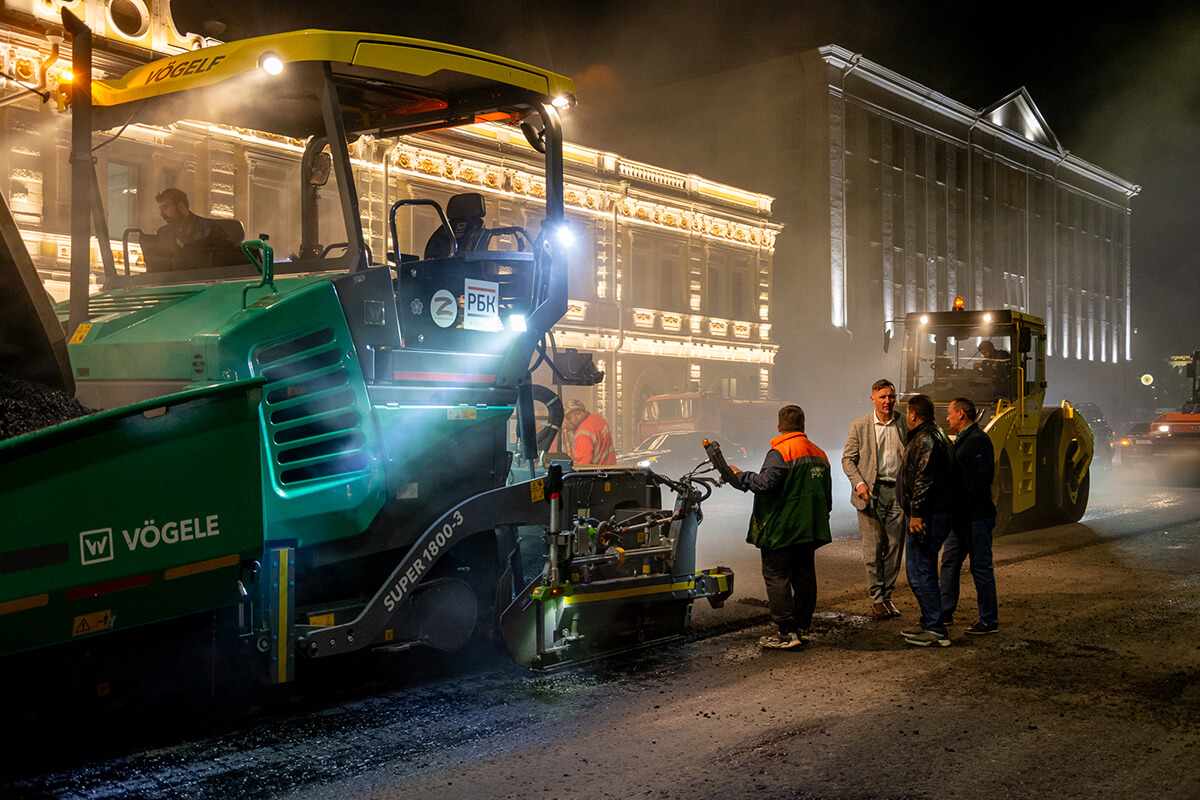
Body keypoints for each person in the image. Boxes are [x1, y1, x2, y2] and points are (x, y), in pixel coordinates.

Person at [728, 405, 833, 650]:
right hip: (809, 529)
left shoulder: (780, 452)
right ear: (804, 426)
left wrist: (742, 476)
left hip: (783, 529)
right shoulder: (820, 453)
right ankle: (803, 629)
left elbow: (765, 484)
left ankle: (787, 632)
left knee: (776, 576)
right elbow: (826, 497)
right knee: (804, 576)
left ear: (779, 427)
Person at [842, 378, 908, 620]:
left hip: (898, 494)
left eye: (891, 397)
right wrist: (859, 484)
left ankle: (887, 597)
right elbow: (847, 459)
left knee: (894, 550)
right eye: (882, 397)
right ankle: (877, 599)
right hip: (871, 495)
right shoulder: (859, 425)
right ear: (873, 399)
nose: (888, 401)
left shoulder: (903, 423)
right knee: (873, 551)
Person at [897, 393, 957, 647]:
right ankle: (930, 621)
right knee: (922, 569)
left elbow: (923, 478)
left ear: (913, 414)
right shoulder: (933, 434)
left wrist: (916, 513)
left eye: (908, 412)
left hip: (928, 516)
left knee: (920, 571)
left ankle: (935, 628)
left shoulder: (927, 438)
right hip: (933, 514)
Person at [940, 397, 999, 634]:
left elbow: (980, 479)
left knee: (981, 567)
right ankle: (944, 613)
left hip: (976, 517)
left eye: (950, 413)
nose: (947, 417)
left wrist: (957, 499)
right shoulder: (965, 440)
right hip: (962, 517)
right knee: (949, 563)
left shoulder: (977, 441)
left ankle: (989, 621)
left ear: (961, 414)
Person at [155, 188, 236, 270]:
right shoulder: (163, 233)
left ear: (181, 206)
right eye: (160, 209)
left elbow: (228, 259)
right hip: (176, 281)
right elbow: (159, 266)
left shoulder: (208, 227)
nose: (161, 214)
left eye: (165, 208)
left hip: (206, 279)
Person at [564, 399, 616, 466]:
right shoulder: (597, 418)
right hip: (610, 469)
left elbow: (582, 466)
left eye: (569, 418)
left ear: (579, 414)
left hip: (597, 473)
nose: (567, 421)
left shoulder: (583, 435)